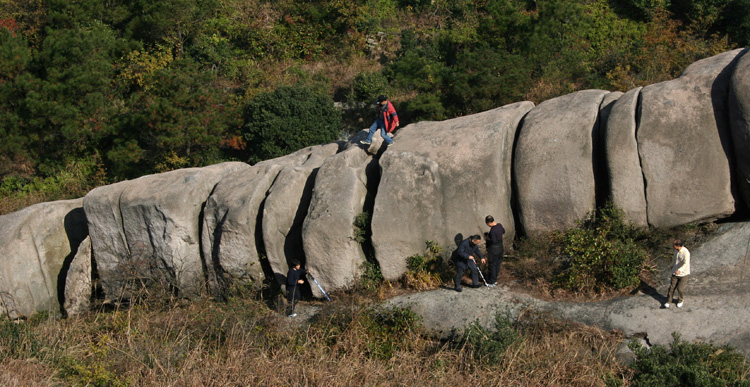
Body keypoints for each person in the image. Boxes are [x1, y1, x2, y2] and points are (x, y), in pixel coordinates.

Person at [664, 240, 691, 308]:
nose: (673, 246)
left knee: (680, 289)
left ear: (678, 246)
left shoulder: (686, 252)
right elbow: (675, 259)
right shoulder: (676, 251)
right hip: (675, 272)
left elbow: (686, 263)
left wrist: (680, 270)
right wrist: (672, 265)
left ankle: (680, 300)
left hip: (683, 274)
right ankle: (669, 301)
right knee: (671, 288)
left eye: (674, 245)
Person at [484, 215, 506, 287]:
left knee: (492, 265)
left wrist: (487, 237)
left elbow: (493, 240)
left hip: (493, 249)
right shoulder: (499, 225)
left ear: (489, 223)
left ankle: (492, 281)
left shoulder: (493, 230)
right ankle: (495, 279)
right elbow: (503, 231)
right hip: (500, 247)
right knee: (497, 264)